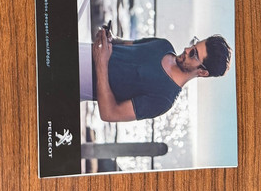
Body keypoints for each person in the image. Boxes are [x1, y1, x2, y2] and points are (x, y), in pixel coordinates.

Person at [79, 30, 231, 122]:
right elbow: (123, 44)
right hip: (79, 49)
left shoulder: (163, 99)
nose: (186, 49)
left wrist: (101, 63)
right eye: (193, 44)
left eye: (194, 53)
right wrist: (110, 37)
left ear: (202, 72)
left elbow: (110, 113)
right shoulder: (163, 45)